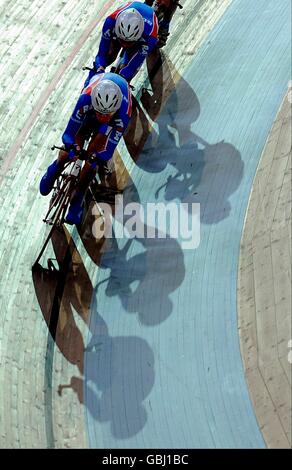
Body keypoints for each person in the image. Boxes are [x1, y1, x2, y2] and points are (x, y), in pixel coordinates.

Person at [39, 72, 132, 225]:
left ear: (114, 110)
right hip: (90, 111)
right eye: (100, 113)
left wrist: (94, 158)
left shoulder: (124, 113)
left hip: (111, 122)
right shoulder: (86, 99)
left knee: (92, 164)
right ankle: (56, 167)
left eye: (106, 114)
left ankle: (78, 197)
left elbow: (108, 150)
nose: (102, 116)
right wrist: (73, 147)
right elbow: (69, 134)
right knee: (72, 147)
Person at [84, 1, 158, 86]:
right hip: (125, 33)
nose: (124, 45)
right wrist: (99, 70)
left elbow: (134, 65)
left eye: (128, 43)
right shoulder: (110, 22)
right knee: (108, 56)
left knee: (127, 70)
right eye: (122, 41)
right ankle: (87, 84)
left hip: (142, 35)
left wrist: (123, 78)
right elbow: (101, 54)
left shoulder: (150, 37)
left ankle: (165, 24)